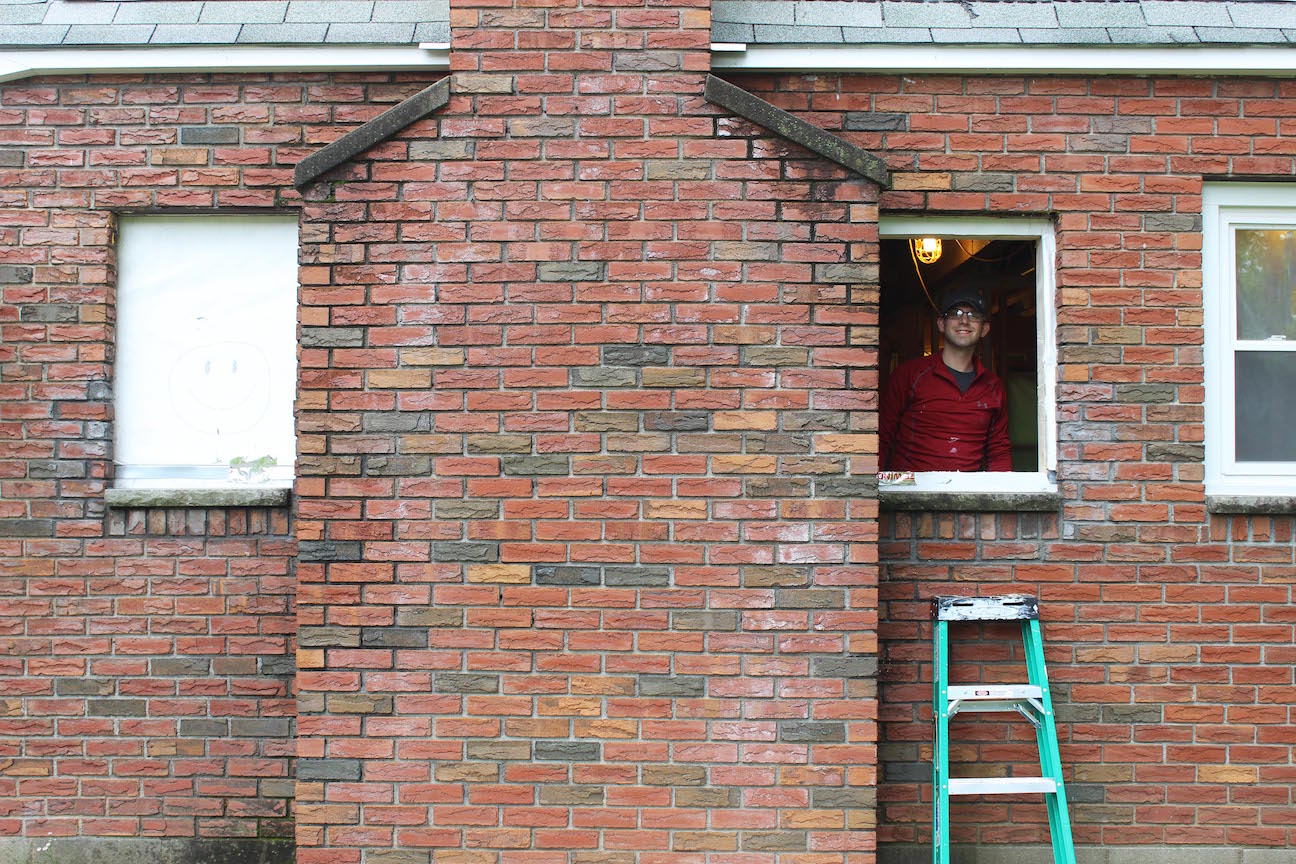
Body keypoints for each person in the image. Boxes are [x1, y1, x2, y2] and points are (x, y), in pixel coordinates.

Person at [879, 284, 1012, 472]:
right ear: (941, 324)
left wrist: (999, 498)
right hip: (909, 492)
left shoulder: (993, 387)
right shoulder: (910, 375)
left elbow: (999, 450)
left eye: (973, 315)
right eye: (956, 313)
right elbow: (880, 438)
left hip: (965, 496)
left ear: (984, 329)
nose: (964, 321)